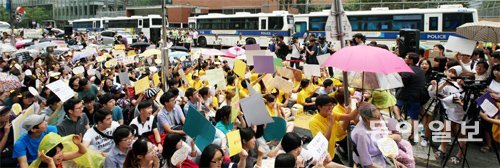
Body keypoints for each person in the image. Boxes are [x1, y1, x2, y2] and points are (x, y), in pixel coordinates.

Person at [351, 103, 410, 168]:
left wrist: (395, 162)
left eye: (380, 116)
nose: (380, 119)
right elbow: (367, 163)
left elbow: (382, 146)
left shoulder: (372, 124)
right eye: (378, 118)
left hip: (381, 158)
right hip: (372, 163)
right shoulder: (361, 135)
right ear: (367, 119)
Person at [308, 94, 359, 161]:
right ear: (319, 107)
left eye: (331, 105)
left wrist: (358, 107)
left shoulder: (332, 114)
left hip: (332, 153)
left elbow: (350, 117)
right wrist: (330, 124)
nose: (331, 107)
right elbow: (323, 141)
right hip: (324, 157)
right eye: (327, 105)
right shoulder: (313, 122)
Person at [393, 52, 426, 144]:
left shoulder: (407, 70)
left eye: (406, 58)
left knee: (396, 106)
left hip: (405, 95)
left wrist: (398, 75)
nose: (405, 59)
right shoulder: (420, 70)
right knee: (414, 118)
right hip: (417, 96)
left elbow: (402, 83)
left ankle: (399, 119)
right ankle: (414, 136)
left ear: (411, 60)